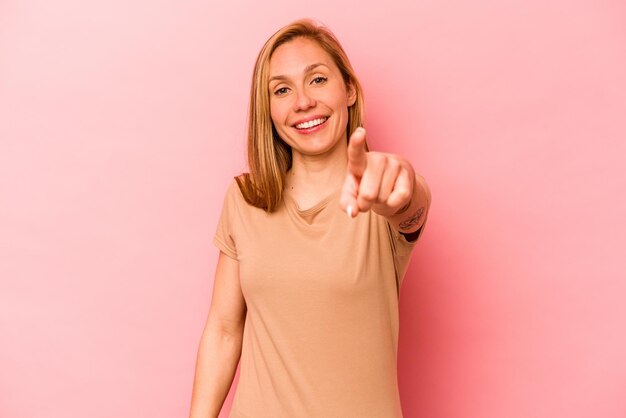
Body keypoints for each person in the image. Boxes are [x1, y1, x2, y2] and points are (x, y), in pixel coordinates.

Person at [189, 18, 431, 418]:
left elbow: (410, 206)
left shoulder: (380, 195)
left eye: (317, 80)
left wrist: (401, 188)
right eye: (282, 90)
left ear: (349, 90)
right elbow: (223, 329)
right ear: (268, 110)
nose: (302, 102)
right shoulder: (245, 200)